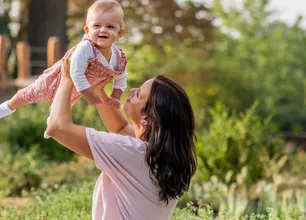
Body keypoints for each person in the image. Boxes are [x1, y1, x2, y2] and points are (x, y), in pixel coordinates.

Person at [45, 46, 198, 219]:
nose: (132, 90)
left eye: (139, 93)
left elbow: (57, 127)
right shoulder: (164, 157)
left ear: (147, 117)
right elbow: (120, 130)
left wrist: (67, 77)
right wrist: (98, 90)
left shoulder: (133, 153)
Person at [0, 0, 129, 124]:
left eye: (110, 27)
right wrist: (89, 95)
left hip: (79, 88)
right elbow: (76, 72)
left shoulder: (118, 56)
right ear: (87, 30)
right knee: (33, 92)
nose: (103, 30)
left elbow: (121, 76)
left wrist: (115, 97)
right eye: (97, 26)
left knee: (65, 105)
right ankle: (8, 106)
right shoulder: (86, 48)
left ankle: (52, 122)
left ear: (120, 33)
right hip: (60, 78)